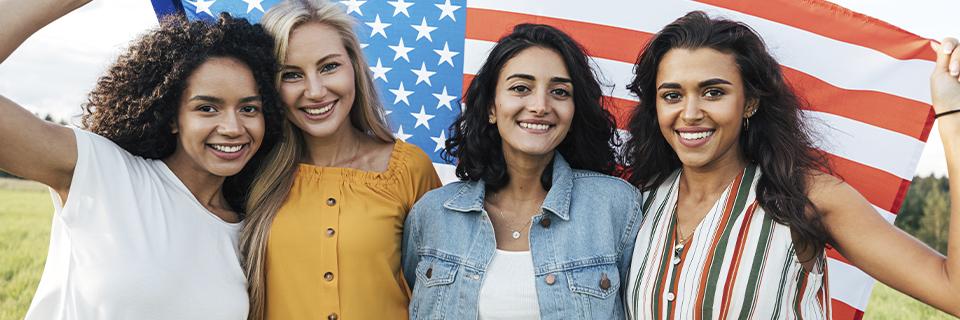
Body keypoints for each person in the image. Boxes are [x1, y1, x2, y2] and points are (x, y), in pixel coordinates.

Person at [623, 11, 960, 319]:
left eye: (713, 93)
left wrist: (951, 115)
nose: (691, 113)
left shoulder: (807, 197)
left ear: (750, 103)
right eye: (672, 95)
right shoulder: (634, 203)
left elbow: (953, 290)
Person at [0, 0, 283, 319]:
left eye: (249, 109)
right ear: (173, 117)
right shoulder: (103, 173)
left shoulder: (254, 232)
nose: (233, 128)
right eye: (207, 108)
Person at [401, 23, 642, 319]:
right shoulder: (433, 214)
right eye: (520, 88)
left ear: (574, 109)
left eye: (559, 91)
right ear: (492, 107)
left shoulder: (615, 206)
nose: (540, 105)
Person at [238, 0, 442, 319]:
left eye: (329, 66)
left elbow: (439, 294)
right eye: (291, 75)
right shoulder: (251, 172)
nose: (316, 91)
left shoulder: (409, 168)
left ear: (354, 67)